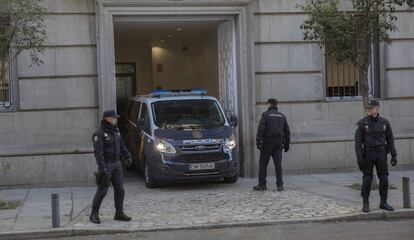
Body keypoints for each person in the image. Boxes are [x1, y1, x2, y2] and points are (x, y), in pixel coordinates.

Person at [90, 110, 133, 224]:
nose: (116, 119)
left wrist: (128, 156)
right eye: (114, 118)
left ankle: (119, 213)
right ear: (108, 119)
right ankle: (93, 214)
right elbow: (98, 153)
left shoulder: (116, 132)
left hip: (117, 163)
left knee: (120, 189)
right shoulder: (99, 134)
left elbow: (122, 146)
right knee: (103, 190)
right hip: (107, 164)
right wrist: (102, 168)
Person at [355, 100, 397, 213]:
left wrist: (394, 154)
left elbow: (390, 139)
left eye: (370, 108)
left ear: (377, 109)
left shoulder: (385, 122)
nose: (368, 110)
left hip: (381, 153)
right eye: (367, 108)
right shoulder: (361, 123)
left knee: (384, 177)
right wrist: (359, 158)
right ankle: (365, 203)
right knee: (367, 178)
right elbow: (358, 143)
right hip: (368, 154)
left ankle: (383, 202)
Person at [254, 98, 290, 191]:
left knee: (263, 164)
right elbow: (287, 131)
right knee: (278, 164)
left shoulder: (265, 115)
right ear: (276, 105)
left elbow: (261, 129)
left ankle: (262, 185)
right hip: (278, 143)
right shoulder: (282, 116)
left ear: (269, 105)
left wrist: (258, 141)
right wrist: (287, 144)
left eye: (267, 104)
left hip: (267, 143)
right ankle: (280, 185)